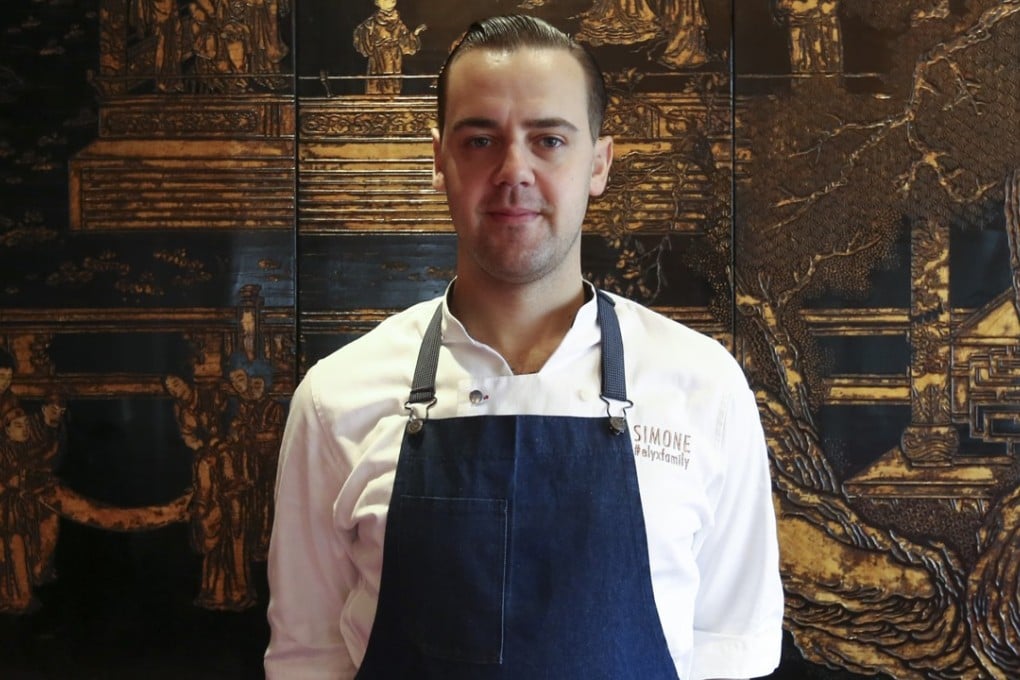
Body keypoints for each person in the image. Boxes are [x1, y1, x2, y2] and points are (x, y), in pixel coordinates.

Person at [265, 14, 783, 679]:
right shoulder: (337, 399)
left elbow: (730, 652)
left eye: (549, 140)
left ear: (598, 164)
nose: (515, 170)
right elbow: (308, 659)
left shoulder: (701, 386)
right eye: (480, 140)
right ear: (440, 161)